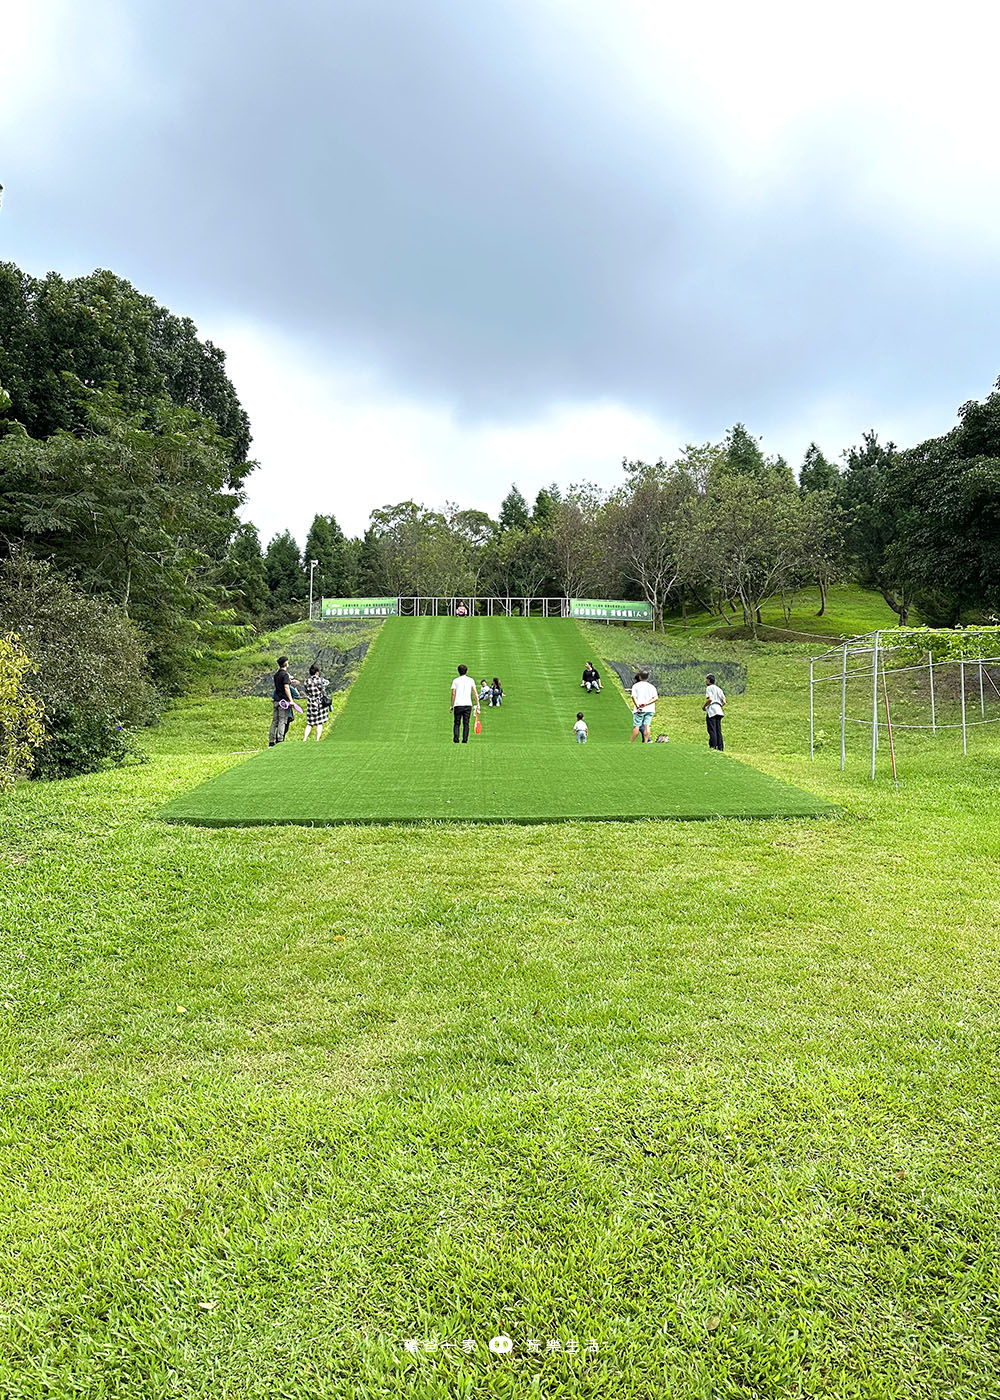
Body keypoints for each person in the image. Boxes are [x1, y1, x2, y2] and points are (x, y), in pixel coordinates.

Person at [450, 663, 480, 743]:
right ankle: (465, 739)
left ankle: (456, 739)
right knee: (466, 723)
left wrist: (451, 705)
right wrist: (478, 704)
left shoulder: (455, 681)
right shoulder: (470, 680)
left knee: (457, 722)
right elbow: (475, 693)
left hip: (458, 704)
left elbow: (453, 693)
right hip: (467, 704)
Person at [269, 655, 293, 746]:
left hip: (276, 700)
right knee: (282, 721)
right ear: (286, 664)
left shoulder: (276, 675)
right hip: (283, 702)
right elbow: (286, 687)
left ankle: (271, 741)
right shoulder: (285, 675)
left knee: (274, 721)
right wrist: (291, 700)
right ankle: (279, 740)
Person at [303, 664, 331, 742]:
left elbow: (306, 691)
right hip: (320, 703)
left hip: (311, 703)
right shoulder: (321, 680)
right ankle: (317, 739)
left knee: (309, 723)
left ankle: (304, 739)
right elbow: (327, 683)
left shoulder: (306, 681)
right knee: (320, 722)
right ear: (317, 672)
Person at [629, 670, 658, 743]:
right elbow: (655, 698)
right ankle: (646, 742)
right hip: (650, 709)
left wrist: (638, 706)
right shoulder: (652, 687)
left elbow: (633, 697)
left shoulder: (635, 686)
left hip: (640, 709)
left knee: (636, 726)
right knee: (647, 725)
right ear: (647, 678)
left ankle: (631, 742)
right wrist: (646, 704)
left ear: (640, 677)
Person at [703, 673, 727, 750]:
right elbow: (724, 701)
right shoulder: (719, 689)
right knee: (718, 729)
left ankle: (713, 746)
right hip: (719, 710)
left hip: (712, 710)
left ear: (709, 681)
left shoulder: (709, 688)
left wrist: (704, 706)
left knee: (712, 729)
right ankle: (720, 747)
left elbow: (710, 699)